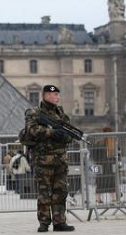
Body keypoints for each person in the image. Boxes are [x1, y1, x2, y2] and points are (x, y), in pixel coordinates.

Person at [25, 85, 75, 232]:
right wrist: (51, 133)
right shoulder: (35, 113)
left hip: (60, 159)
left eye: (58, 95)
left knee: (60, 191)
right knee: (44, 192)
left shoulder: (61, 113)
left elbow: (69, 132)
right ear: (45, 95)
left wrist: (65, 136)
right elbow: (31, 130)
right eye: (54, 95)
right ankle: (44, 222)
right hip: (43, 160)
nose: (57, 98)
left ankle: (59, 222)